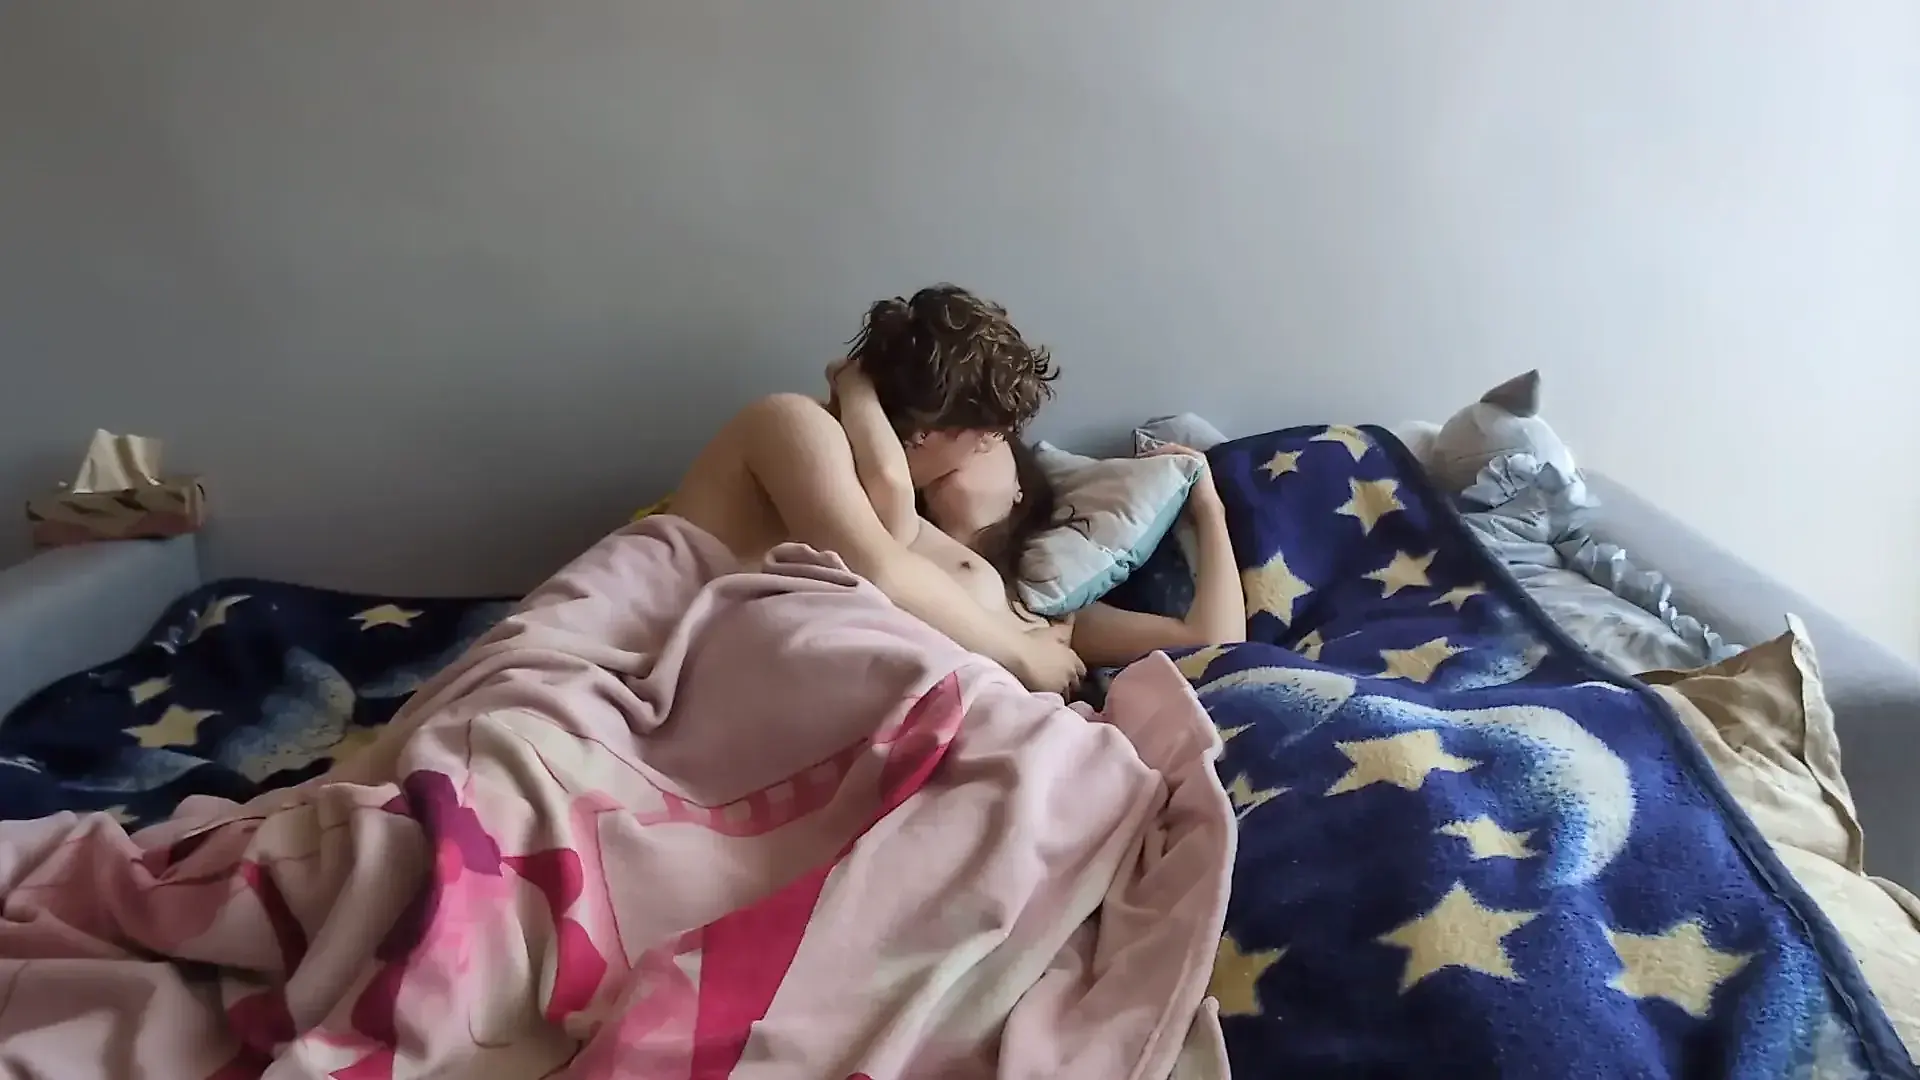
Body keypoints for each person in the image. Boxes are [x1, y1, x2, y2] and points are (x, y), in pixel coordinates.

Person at [669, 285, 1087, 693]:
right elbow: (881, 571)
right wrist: (1023, 655)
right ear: (928, 435)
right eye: (984, 440)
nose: (981, 453)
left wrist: (1034, 642)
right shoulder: (795, 423)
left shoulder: (876, 489)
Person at [827, 354, 1246, 669]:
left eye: (990, 440)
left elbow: (1214, 641)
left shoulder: (1042, 605)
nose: (970, 445)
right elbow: (882, 478)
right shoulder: (887, 525)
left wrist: (1208, 508)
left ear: (1019, 489)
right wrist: (854, 383)